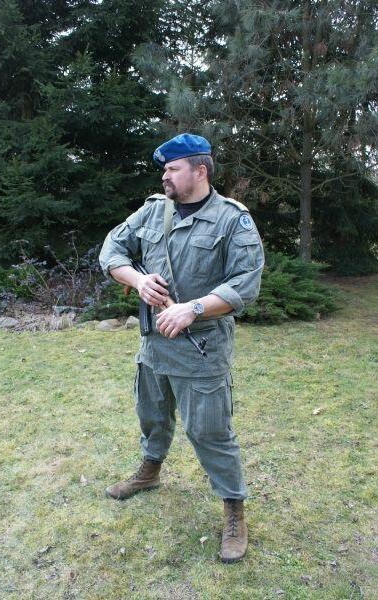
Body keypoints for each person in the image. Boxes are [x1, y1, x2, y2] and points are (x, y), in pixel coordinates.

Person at [99, 133, 264, 563]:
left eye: (172, 169)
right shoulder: (154, 210)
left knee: (210, 431)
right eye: (164, 170)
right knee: (151, 415)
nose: (165, 176)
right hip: (154, 344)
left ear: (200, 170)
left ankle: (234, 510)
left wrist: (193, 308)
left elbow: (245, 283)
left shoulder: (232, 220)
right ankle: (149, 472)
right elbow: (111, 250)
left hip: (202, 348)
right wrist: (138, 279)